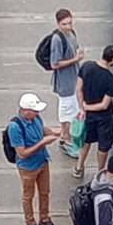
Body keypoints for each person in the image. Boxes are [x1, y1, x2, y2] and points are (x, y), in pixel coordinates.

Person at [8, 93, 62, 225]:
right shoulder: (15, 127)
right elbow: (22, 153)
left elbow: (41, 128)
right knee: (28, 196)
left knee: (45, 192)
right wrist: (43, 143)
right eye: (35, 111)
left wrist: (52, 132)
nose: (38, 114)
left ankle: (44, 219)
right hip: (28, 167)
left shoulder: (36, 118)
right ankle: (30, 223)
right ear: (25, 110)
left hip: (42, 161)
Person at [37, 9, 85, 159]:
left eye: (70, 23)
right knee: (67, 113)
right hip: (65, 83)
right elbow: (55, 63)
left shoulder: (71, 34)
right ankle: (66, 139)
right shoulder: (58, 40)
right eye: (64, 24)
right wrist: (75, 60)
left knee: (73, 110)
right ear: (58, 24)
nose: (68, 27)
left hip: (74, 79)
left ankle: (68, 137)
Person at [74, 43, 113, 179]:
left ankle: (79, 166)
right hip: (104, 118)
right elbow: (104, 105)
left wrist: (82, 107)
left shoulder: (87, 66)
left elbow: (78, 88)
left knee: (86, 140)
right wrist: (87, 108)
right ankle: (100, 171)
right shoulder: (110, 80)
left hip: (88, 114)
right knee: (103, 145)